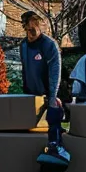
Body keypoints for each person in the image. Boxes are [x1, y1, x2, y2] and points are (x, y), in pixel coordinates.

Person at [19, 10, 65, 145]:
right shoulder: (23, 45)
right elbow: (25, 69)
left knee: (53, 118)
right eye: (28, 29)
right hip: (31, 93)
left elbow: (55, 72)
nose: (31, 33)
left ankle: (56, 146)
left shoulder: (49, 45)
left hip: (48, 92)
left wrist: (52, 97)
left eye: (34, 29)